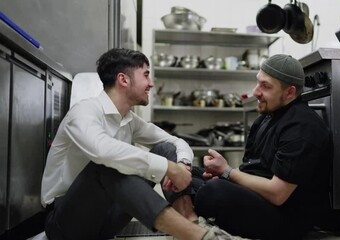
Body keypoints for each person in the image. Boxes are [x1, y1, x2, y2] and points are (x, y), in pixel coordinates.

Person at [40, 48, 246, 240]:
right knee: (105, 167)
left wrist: (181, 165)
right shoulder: (84, 112)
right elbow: (102, 151)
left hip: (106, 220)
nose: (151, 83)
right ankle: (198, 237)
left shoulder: (129, 120)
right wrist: (168, 168)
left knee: (166, 149)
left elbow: (175, 142)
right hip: (65, 222)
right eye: (146, 75)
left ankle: (190, 220)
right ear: (123, 79)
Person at [163, 54, 333, 240]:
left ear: (290, 93)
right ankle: (193, 223)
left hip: (285, 218)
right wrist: (221, 173)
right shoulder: (265, 119)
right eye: (258, 83)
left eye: (266, 86)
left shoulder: (302, 127)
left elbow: (278, 194)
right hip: (256, 198)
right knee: (172, 166)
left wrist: (227, 172)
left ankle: (195, 225)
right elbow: (251, 171)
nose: (255, 92)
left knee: (213, 192)